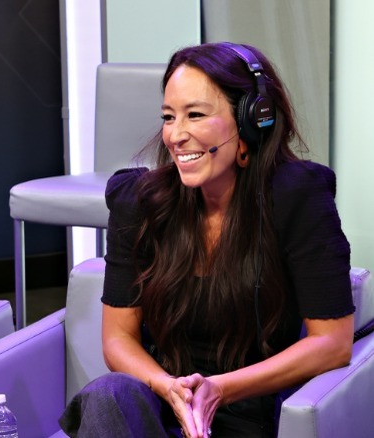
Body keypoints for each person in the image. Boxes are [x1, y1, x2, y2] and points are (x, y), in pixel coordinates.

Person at [59, 42, 354, 437]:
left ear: (253, 120)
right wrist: (168, 387)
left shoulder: (295, 197)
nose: (176, 136)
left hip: (250, 410)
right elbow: (117, 338)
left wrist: (220, 390)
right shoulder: (141, 203)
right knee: (109, 395)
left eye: (195, 115)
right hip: (162, 405)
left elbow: (332, 343)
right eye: (168, 117)